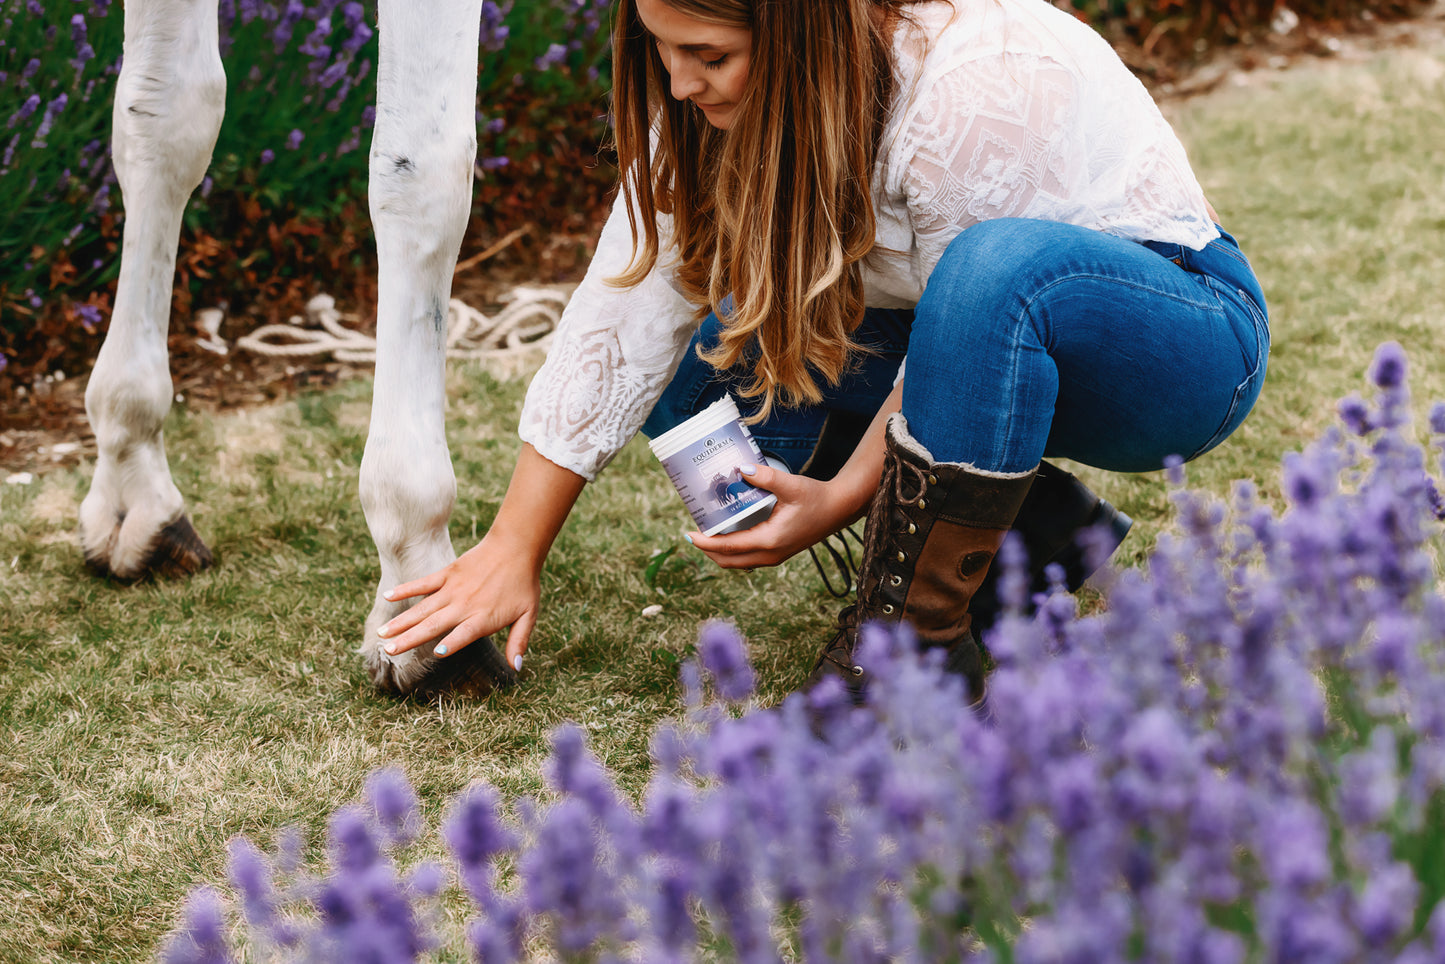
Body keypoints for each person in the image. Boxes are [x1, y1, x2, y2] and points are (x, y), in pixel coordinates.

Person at [375, 0, 1269, 704]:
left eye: (709, 57)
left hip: (1175, 342)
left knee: (990, 270)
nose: (679, 84)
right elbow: (626, 311)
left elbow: (966, 327)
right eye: (661, 51)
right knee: (702, 378)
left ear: (799, 31)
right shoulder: (705, 102)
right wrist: (510, 549)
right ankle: (1041, 543)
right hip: (960, 334)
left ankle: (910, 660)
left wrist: (840, 498)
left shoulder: (971, 82)